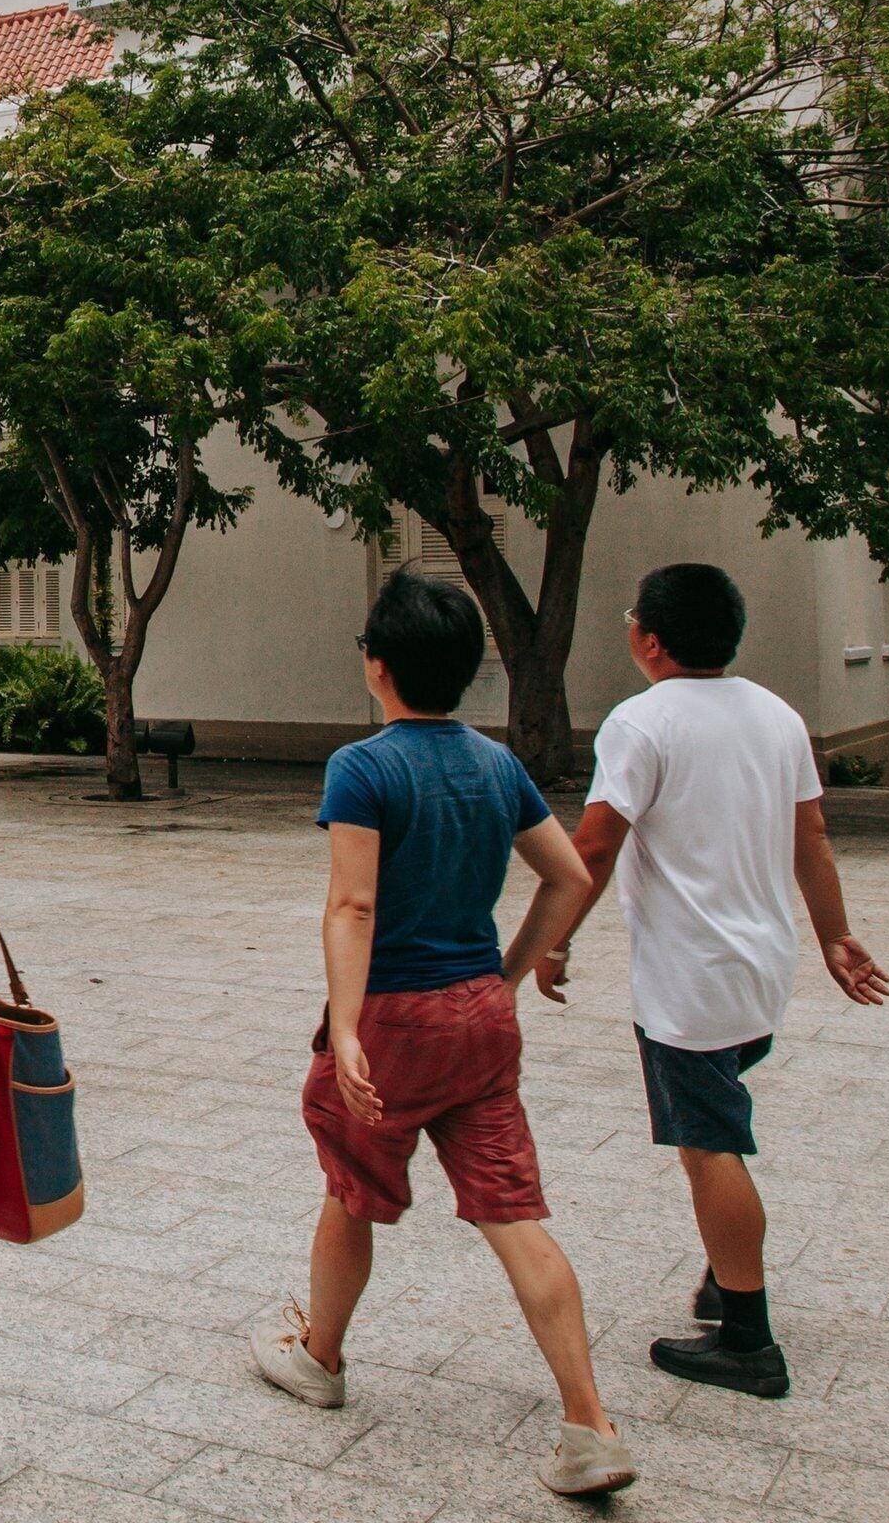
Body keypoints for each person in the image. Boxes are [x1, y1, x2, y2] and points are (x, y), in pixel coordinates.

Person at [251, 568, 639, 1500]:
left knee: (353, 1189)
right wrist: (503, 977)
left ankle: (320, 1357)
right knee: (514, 1214)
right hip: (478, 1020)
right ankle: (588, 1422)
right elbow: (570, 879)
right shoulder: (495, 765)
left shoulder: (364, 766)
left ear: (377, 666)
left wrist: (345, 1030)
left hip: (394, 1018)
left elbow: (352, 903)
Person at [538, 562, 889, 1401]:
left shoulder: (640, 722)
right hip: (761, 968)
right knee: (717, 1123)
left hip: (689, 981)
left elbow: (591, 848)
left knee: (709, 1145)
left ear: (649, 640)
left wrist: (551, 944)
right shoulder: (777, 715)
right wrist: (835, 936)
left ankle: (748, 1340)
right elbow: (814, 837)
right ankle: (721, 1278)